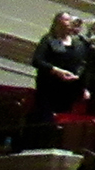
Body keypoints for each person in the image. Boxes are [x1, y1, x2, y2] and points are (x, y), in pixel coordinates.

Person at [25, 11, 87, 149]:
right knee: (46, 121)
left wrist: (77, 76)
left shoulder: (78, 43)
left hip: (69, 90)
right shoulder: (48, 39)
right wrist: (56, 71)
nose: (69, 22)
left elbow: (82, 63)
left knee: (64, 123)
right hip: (49, 88)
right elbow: (37, 61)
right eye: (66, 20)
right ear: (57, 23)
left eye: (70, 20)